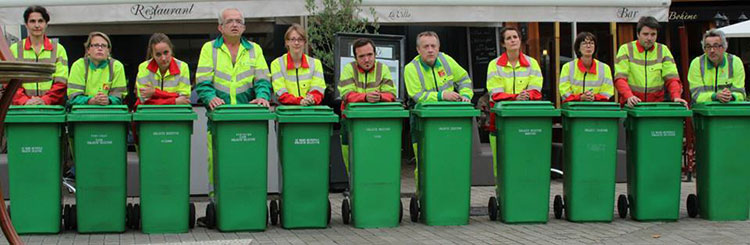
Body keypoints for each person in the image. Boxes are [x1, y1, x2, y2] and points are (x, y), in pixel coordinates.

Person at [194, 7, 271, 207]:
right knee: (218, 163)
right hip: (219, 118)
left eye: (238, 21)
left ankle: (248, 201)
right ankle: (217, 203)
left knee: (247, 163)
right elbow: (202, 81)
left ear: (244, 27)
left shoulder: (255, 49)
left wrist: (263, 96)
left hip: (248, 118)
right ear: (220, 27)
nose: (235, 24)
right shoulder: (209, 49)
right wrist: (210, 97)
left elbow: (263, 79)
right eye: (230, 21)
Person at [403, 31, 473, 185]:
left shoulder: (446, 60)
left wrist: (466, 95)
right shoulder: (411, 68)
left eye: (433, 46)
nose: (430, 50)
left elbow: (464, 79)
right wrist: (442, 95)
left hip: (449, 118)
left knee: (450, 160)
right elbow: (417, 96)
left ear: (438, 47)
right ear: (418, 50)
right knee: (424, 163)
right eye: (425, 46)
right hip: (423, 122)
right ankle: (423, 197)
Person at [486, 26, 544, 176]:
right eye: (508, 38)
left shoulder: (532, 64)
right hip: (499, 122)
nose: (513, 40)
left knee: (524, 159)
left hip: (525, 120)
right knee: (500, 163)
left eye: (515, 37)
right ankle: (501, 195)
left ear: (520, 40)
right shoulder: (494, 65)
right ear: (503, 44)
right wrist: (516, 97)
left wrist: (527, 95)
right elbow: (495, 94)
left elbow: (537, 91)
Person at [337, 37, 397, 174]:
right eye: (362, 56)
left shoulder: (383, 69)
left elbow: (392, 94)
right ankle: (354, 188)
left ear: (375, 54)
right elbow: (346, 94)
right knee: (350, 160)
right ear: (356, 57)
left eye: (370, 55)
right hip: (350, 122)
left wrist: (381, 96)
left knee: (376, 159)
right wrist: (365, 97)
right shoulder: (349, 68)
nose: (367, 59)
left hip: (377, 121)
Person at [614, 16, 687, 108]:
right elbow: (620, 79)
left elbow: (672, 78)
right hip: (631, 104)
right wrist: (629, 96)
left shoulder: (663, 50)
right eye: (645, 34)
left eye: (653, 34)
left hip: (656, 105)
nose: (649, 38)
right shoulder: (625, 49)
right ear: (638, 34)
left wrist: (676, 97)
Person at [9, 5, 68, 105]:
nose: (37, 25)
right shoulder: (14, 49)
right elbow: (9, 81)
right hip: (22, 109)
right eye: (32, 21)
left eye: (40, 21)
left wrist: (45, 100)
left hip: (51, 109)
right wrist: (24, 101)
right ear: (26, 24)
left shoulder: (59, 49)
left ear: (46, 24)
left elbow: (61, 82)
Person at [270, 24, 325, 106]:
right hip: (286, 113)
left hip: (310, 111)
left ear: (304, 42)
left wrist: (311, 99)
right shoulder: (277, 64)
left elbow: (318, 90)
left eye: (300, 39)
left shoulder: (315, 64)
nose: (296, 42)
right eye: (293, 39)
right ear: (287, 42)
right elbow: (280, 93)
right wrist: (299, 101)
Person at [67, 31, 127, 106]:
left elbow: (120, 97)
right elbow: (73, 97)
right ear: (88, 49)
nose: (100, 48)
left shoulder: (117, 66)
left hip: (108, 113)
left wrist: (109, 100)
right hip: (82, 113)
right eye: (96, 45)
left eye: (104, 46)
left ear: (108, 51)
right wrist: (90, 101)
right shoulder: (78, 65)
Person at [688, 29, 746, 103]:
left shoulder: (735, 62)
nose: (712, 50)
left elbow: (740, 93)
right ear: (704, 49)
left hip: (729, 109)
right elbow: (696, 95)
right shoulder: (697, 63)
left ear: (724, 47)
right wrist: (715, 96)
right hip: (704, 111)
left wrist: (731, 96)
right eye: (708, 46)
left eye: (716, 46)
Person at [135, 33, 191, 106]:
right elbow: (144, 101)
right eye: (158, 54)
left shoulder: (183, 67)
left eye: (166, 52)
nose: (163, 58)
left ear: (171, 50)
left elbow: (184, 99)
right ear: (152, 55)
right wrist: (174, 101)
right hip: (149, 115)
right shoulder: (143, 67)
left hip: (175, 114)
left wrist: (155, 92)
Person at [559, 32, 614, 103]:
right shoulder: (567, 67)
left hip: (598, 109)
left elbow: (608, 92)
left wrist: (594, 97)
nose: (588, 46)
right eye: (584, 43)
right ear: (578, 48)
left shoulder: (605, 68)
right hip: (574, 109)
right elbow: (564, 92)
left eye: (591, 43)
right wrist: (580, 97)